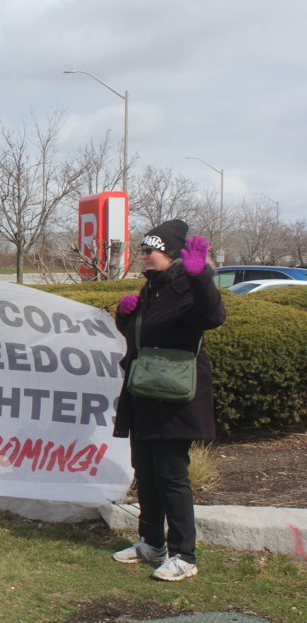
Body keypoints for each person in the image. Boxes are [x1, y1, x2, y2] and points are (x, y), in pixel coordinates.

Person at [111, 219, 226, 581]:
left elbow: (212, 316)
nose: (143, 256)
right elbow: (143, 341)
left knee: (171, 477)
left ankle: (184, 554)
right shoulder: (152, 289)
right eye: (142, 250)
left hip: (175, 401)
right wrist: (124, 318)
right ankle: (151, 542)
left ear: (172, 254)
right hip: (146, 394)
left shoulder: (187, 287)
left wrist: (201, 277)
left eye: (150, 250)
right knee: (145, 472)